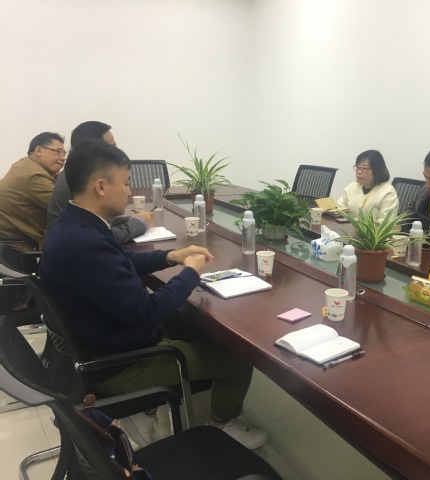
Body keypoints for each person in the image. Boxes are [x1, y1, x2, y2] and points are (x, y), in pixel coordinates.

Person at [39, 139, 267, 449]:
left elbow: (120, 261)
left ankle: (162, 409)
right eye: (126, 183)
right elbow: (148, 311)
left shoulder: (73, 223)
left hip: (99, 339)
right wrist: (191, 272)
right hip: (120, 362)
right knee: (237, 361)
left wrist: (170, 257)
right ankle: (224, 424)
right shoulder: (86, 242)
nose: (129, 191)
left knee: (192, 324)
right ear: (101, 186)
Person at [47, 121, 152, 243]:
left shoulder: (78, 173)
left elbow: (101, 224)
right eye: (111, 147)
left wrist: (132, 220)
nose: (115, 151)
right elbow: (103, 236)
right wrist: (139, 224)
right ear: (95, 147)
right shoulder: (77, 182)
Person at [0, 132, 66, 247]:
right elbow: (67, 207)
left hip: (16, 244)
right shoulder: (34, 176)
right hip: (24, 248)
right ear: (39, 150)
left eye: (64, 154)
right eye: (58, 152)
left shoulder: (24, 165)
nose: (63, 158)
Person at [336, 150, 398, 224]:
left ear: (377, 170)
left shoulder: (388, 192)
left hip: (372, 231)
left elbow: (385, 224)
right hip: (347, 230)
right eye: (358, 167)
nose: (359, 172)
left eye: (364, 168)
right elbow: (339, 210)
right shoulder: (352, 186)